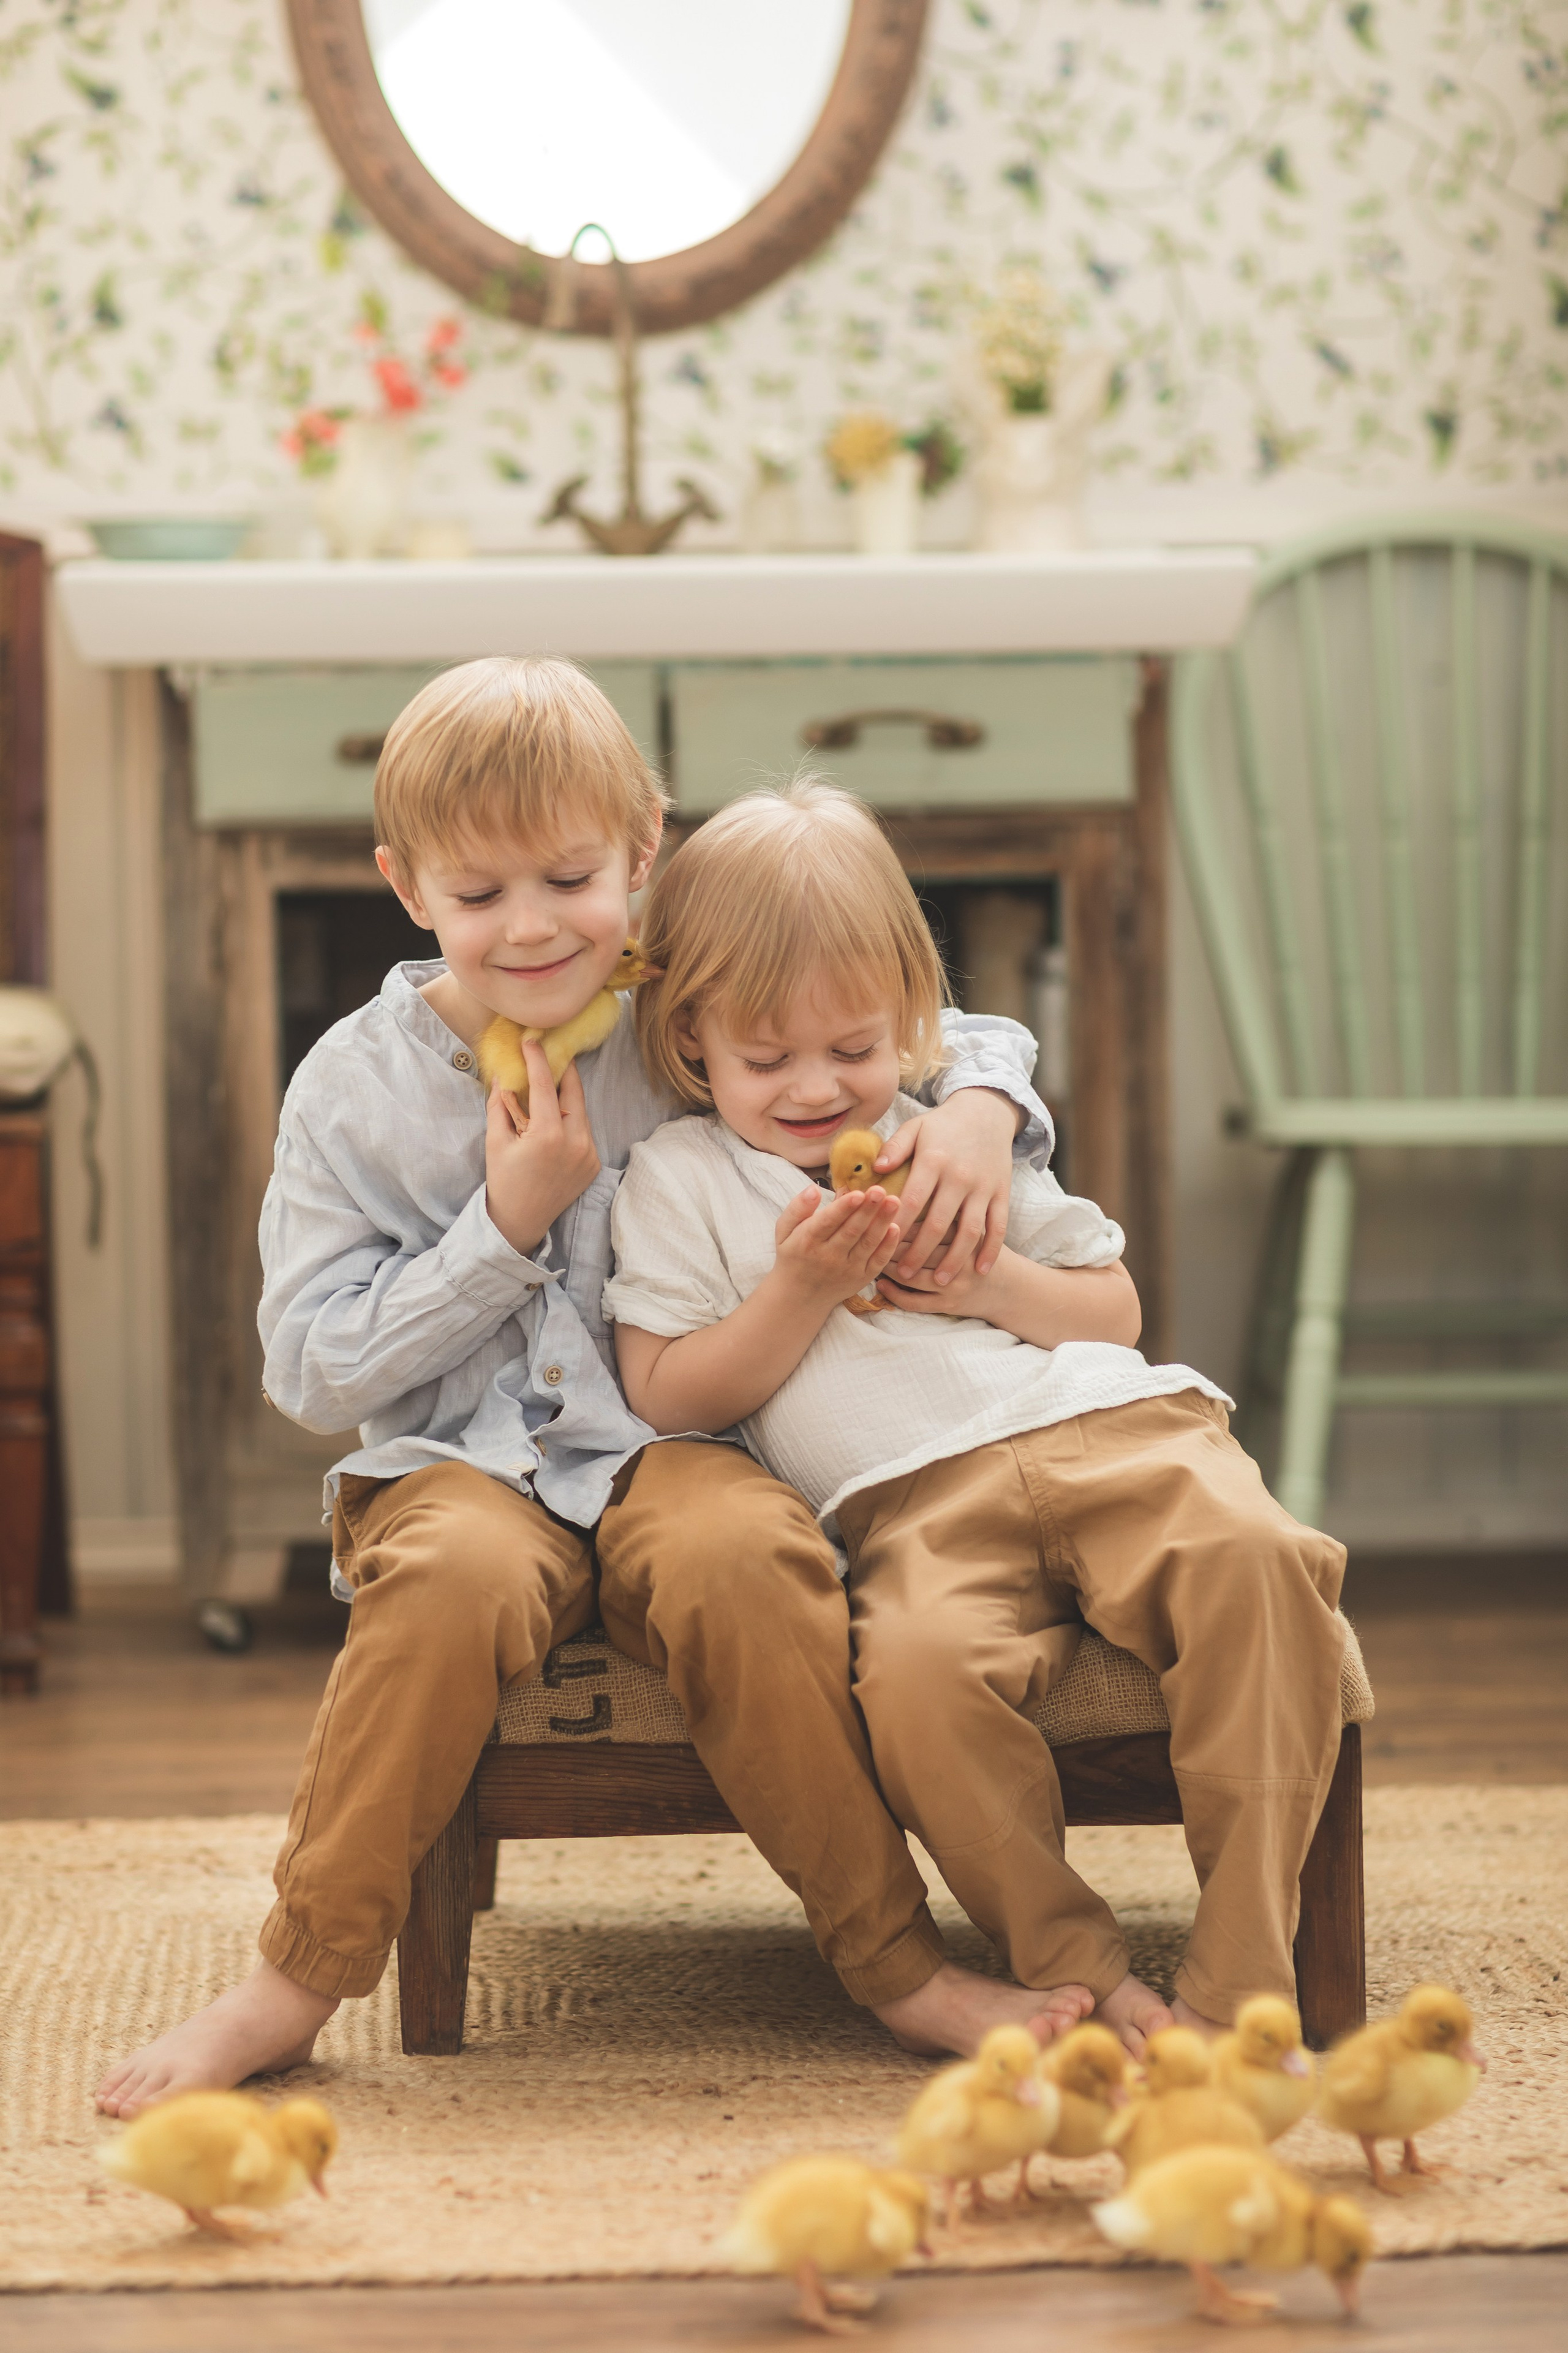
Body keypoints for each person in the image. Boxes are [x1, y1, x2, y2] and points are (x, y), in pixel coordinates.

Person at [96, 659, 1066, 2121]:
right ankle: (293, 1979)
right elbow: (308, 1369)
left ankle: (894, 1966)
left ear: (644, 856)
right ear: (406, 885)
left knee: (749, 1554)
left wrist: (988, 1101)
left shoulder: (682, 1012)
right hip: (457, 1463)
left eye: (569, 876)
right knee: (444, 1582)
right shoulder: (350, 1090)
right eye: (479, 894)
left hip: (676, 1442)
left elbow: (882, 1001)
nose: (532, 924)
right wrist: (501, 1227)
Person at [605, 779, 1350, 2055]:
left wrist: (987, 1277)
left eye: (851, 1049)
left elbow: (1110, 1309)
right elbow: (666, 1390)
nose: (815, 1090)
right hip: (911, 1510)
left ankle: (1241, 1982)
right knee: (914, 1678)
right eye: (765, 1057)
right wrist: (798, 1290)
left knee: (1264, 1563)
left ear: (906, 1026)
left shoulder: (949, 1139)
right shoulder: (683, 1178)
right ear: (690, 1043)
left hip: (1114, 1434)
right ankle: (1073, 1967)